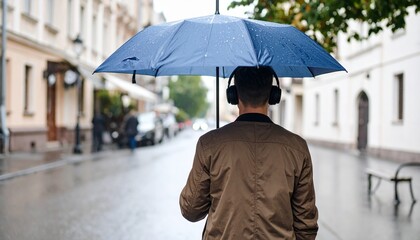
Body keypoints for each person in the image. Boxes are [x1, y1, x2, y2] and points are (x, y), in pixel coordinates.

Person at [179, 66, 318, 239]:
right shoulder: (297, 148)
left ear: (234, 95)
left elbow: (190, 210)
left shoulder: (209, 144)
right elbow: (306, 225)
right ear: (273, 95)